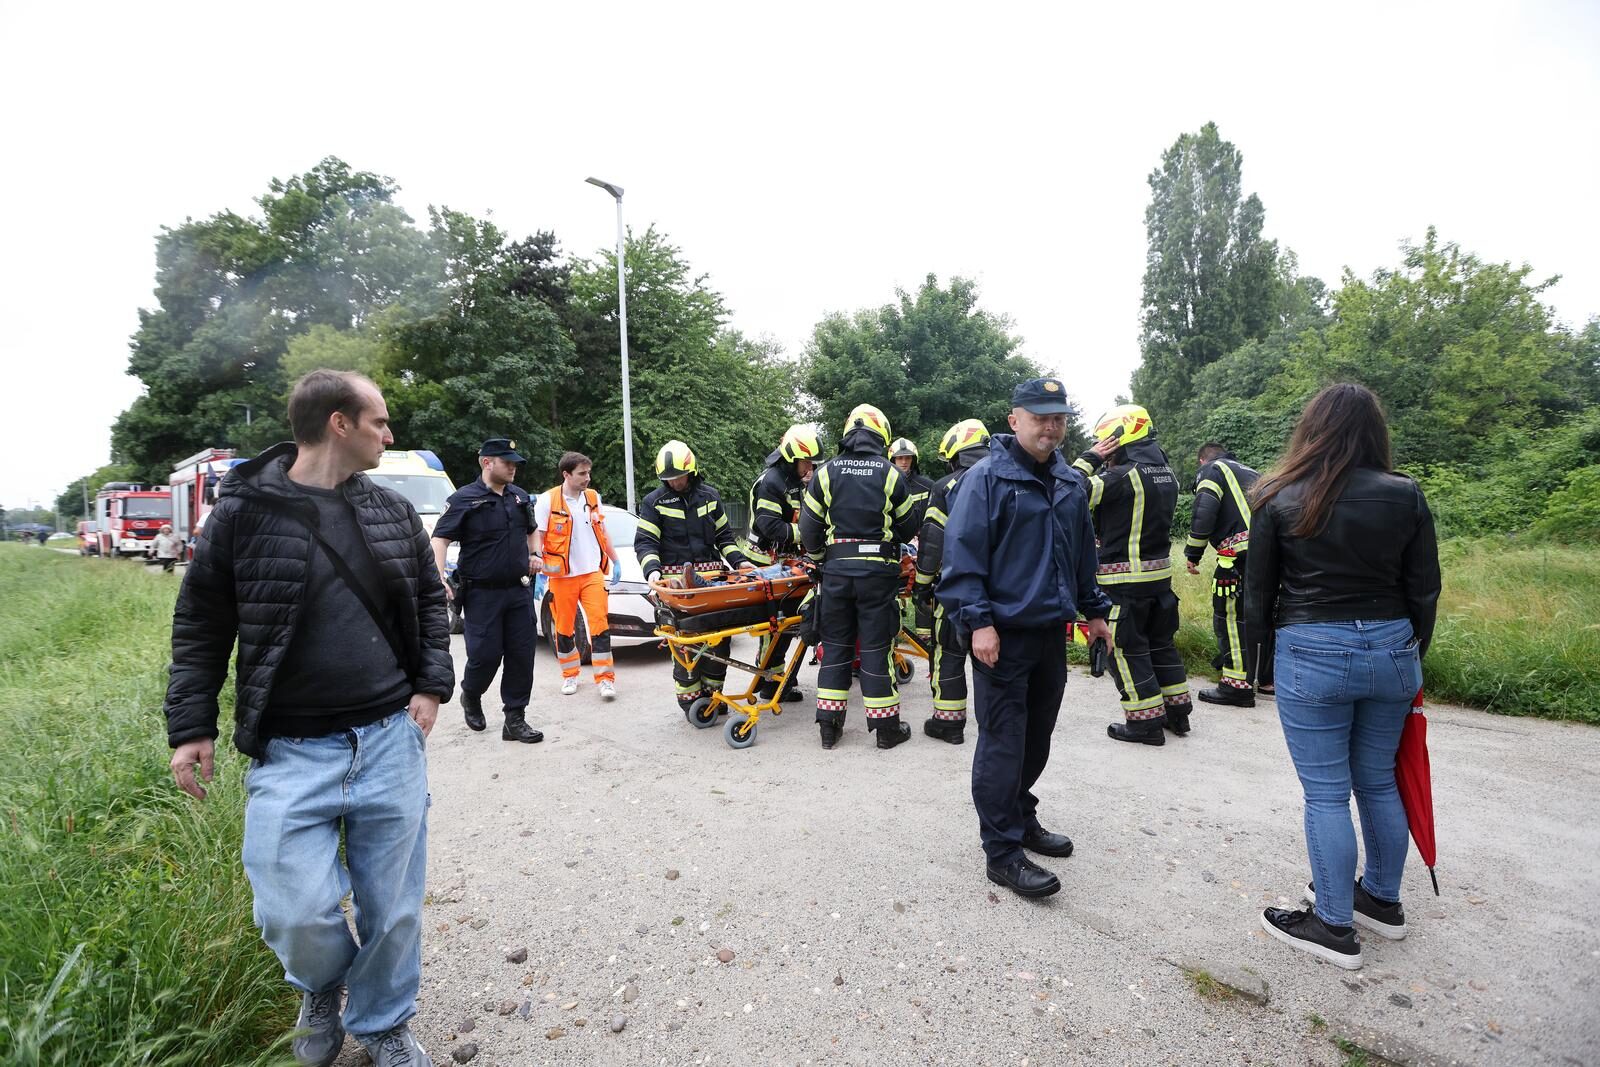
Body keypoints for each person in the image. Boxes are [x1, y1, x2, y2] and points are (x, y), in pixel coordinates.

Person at [164, 369, 452, 1067]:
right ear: (339, 423)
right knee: (293, 909)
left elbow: (430, 600)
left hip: (388, 738)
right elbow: (200, 622)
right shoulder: (243, 512)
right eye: (380, 421)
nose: (390, 433)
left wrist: (432, 685)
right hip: (290, 750)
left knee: (395, 906)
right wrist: (191, 726)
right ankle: (322, 987)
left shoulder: (390, 510)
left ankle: (383, 1022)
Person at [1247, 383, 1440, 970]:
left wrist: (1257, 670)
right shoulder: (1405, 495)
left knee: (1326, 793)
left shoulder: (1278, 497)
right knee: (1377, 781)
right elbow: (1424, 589)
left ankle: (1332, 924)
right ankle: (1380, 900)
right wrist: (1411, 654)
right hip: (1392, 649)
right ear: (1374, 433)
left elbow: (1258, 596)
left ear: (1312, 429)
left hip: (1311, 650)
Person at [940, 378, 1113, 899]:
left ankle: (1020, 812)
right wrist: (979, 622)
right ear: (1014, 419)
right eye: (1040, 416)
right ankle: (1002, 852)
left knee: (1037, 736)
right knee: (1003, 741)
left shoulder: (1068, 483)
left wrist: (1097, 613)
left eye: (1058, 417)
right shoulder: (986, 478)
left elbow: (1081, 558)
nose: (1051, 426)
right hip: (1002, 637)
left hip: (1048, 635)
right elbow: (963, 557)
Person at [1071, 404, 1192, 744]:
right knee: (1161, 644)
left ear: (1119, 438)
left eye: (1107, 442)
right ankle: (1178, 714)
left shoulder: (1121, 477)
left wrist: (1089, 458)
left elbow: (1066, 489)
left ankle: (1144, 723)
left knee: (1124, 650)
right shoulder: (1167, 473)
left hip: (1123, 582)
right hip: (1160, 580)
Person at [800, 404, 918, 750]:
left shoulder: (826, 472)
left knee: (835, 647)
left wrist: (822, 559)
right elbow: (909, 526)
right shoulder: (890, 473)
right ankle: (886, 731)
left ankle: (829, 728)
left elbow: (809, 527)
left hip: (836, 573)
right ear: (881, 436)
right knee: (876, 648)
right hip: (877, 575)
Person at [429, 439, 542, 743]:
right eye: (507, 462)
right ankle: (471, 694)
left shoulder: (519, 498)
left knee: (521, 656)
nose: (513, 467)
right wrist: (437, 575)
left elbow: (532, 530)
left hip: (518, 591)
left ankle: (515, 719)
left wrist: (536, 555)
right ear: (487, 462)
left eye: (515, 463)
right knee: (485, 655)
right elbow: (440, 539)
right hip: (481, 594)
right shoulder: (463, 499)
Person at [636, 440, 753, 717]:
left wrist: (741, 562)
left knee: (719, 640)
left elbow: (725, 538)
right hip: (676, 586)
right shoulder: (654, 502)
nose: (675, 482)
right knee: (686, 642)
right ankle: (690, 699)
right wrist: (653, 571)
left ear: (692, 471)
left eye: (679, 476)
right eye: (669, 479)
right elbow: (645, 542)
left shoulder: (710, 497)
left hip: (712, 583)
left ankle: (713, 695)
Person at [911, 418, 992, 743]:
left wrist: (922, 583)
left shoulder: (945, 486)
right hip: (1005, 591)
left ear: (956, 453)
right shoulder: (1012, 479)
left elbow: (932, 541)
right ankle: (997, 725)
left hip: (957, 589)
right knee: (997, 658)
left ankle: (949, 723)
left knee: (949, 653)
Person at [534, 452, 621, 699]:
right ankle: (570, 675)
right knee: (563, 628)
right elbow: (539, 539)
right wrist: (539, 568)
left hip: (592, 573)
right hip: (562, 577)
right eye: (582, 474)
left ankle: (605, 679)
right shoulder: (547, 501)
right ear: (566, 474)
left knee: (600, 625)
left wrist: (615, 561)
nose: (587, 478)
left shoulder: (592, 498)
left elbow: (603, 531)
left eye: (588, 473)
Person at [1184, 442, 1262, 707]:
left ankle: (1236, 685)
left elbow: (1204, 511)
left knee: (1229, 614)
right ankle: (1265, 678)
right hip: (1271, 552)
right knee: (1259, 616)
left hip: (1237, 555)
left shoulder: (1212, 470)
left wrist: (1193, 554)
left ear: (1202, 461)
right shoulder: (1250, 471)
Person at [746, 424, 820, 703]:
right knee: (773, 627)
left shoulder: (794, 481)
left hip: (787, 565)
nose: (810, 467)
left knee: (788, 625)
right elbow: (771, 527)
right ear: (792, 458)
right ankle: (769, 682)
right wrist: (810, 532)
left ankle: (777, 679)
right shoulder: (771, 482)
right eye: (806, 462)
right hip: (765, 564)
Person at [889, 438, 936, 531]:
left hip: (921, 539)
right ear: (892, 460)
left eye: (908, 457)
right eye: (899, 458)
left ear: (913, 460)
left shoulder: (928, 486)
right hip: (894, 540)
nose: (904, 462)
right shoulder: (885, 484)